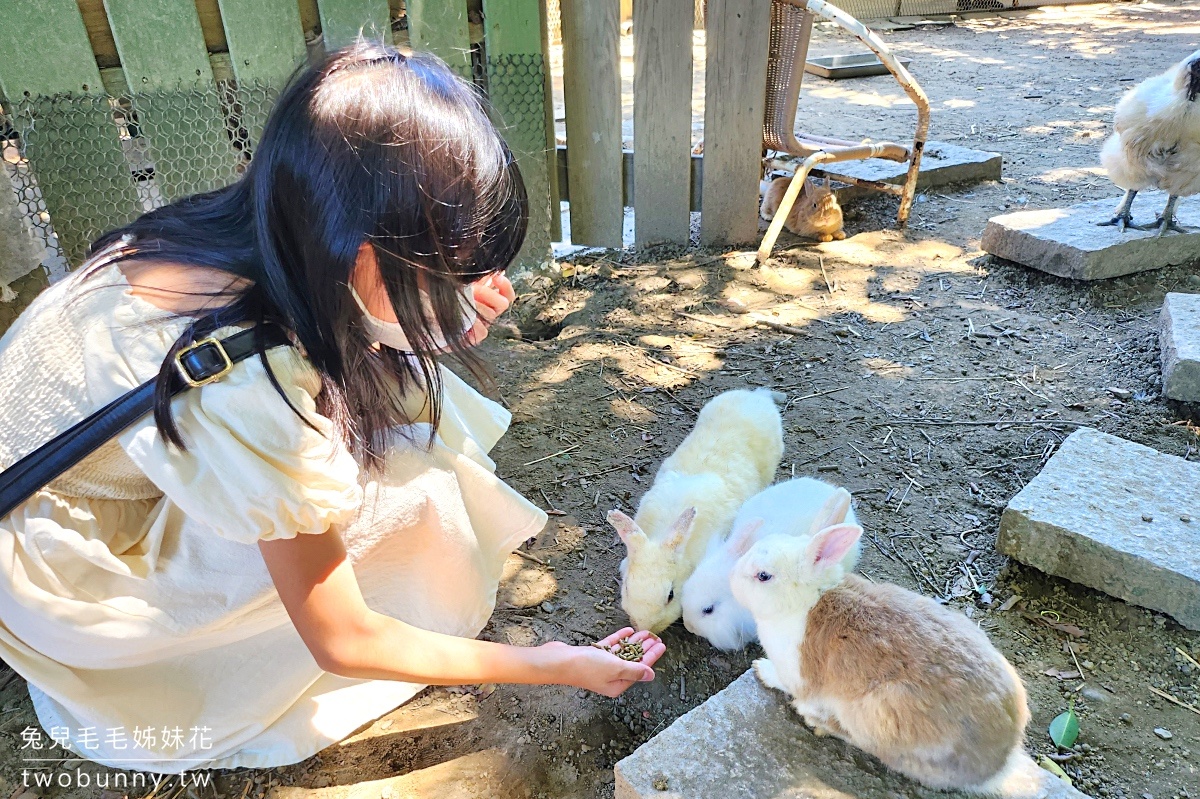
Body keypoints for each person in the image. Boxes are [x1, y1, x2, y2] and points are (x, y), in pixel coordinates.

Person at [0, 42, 664, 773]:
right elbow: (342, 637)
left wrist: (439, 312)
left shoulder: (247, 233)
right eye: (457, 265)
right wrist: (552, 664)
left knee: (395, 411)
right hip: (63, 577)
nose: (481, 280)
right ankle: (170, 680)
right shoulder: (247, 386)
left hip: (88, 480)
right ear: (364, 257)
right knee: (409, 492)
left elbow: (355, 337)